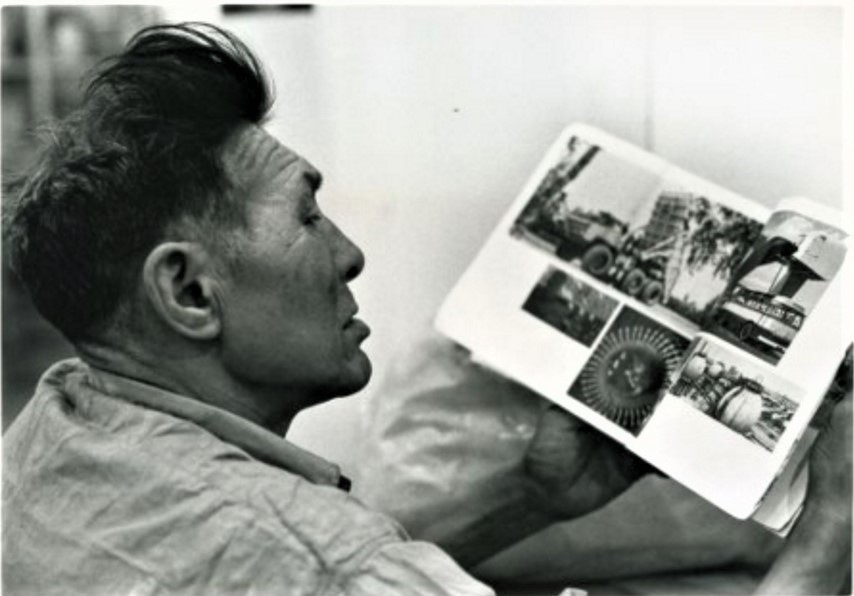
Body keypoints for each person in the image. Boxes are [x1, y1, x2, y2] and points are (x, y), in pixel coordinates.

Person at [2, 22, 849, 595]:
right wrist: (828, 533)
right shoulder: (322, 559)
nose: (350, 253)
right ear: (188, 292)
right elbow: (325, 565)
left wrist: (529, 496)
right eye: (306, 215)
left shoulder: (56, 418)